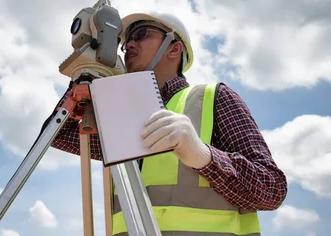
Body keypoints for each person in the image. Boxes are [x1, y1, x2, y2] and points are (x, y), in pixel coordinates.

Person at [41, 12, 287, 236]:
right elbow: (56, 134)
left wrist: (204, 156)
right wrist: (87, 71)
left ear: (174, 49)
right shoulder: (124, 118)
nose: (129, 46)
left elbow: (271, 190)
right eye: (125, 42)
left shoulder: (213, 98)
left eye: (142, 34)